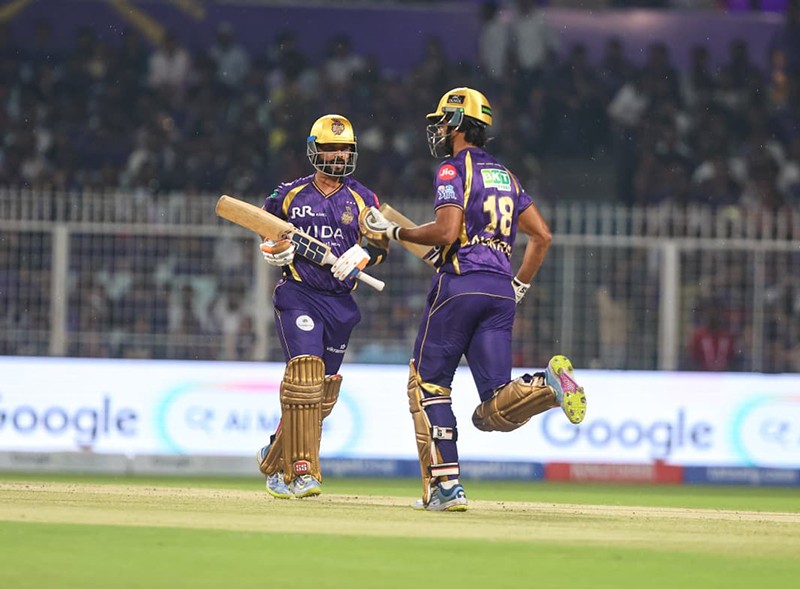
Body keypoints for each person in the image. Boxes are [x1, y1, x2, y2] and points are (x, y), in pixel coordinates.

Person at [360, 87, 587, 512]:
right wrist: (518, 286)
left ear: (460, 125)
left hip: (460, 284)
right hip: (500, 291)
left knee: (428, 385)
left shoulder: (451, 169)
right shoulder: (507, 176)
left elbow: (447, 233)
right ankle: (548, 386)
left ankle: (447, 488)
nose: (440, 130)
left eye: (444, 121)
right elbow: (542, 236)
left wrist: (396, 233)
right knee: (493, 409)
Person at [255, 114, 388, 499]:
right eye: (331, 149)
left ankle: (273, 456)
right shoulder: (289, 194)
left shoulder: (365, 199)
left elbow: (381, 245)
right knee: (306, 378)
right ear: (315, 151)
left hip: (341, 302)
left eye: (345, 148)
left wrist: (363, 254)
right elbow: (266, 229)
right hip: (299, 294)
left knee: (321, 396)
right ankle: (302, 471)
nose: (338, 155)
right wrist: (273, 250)